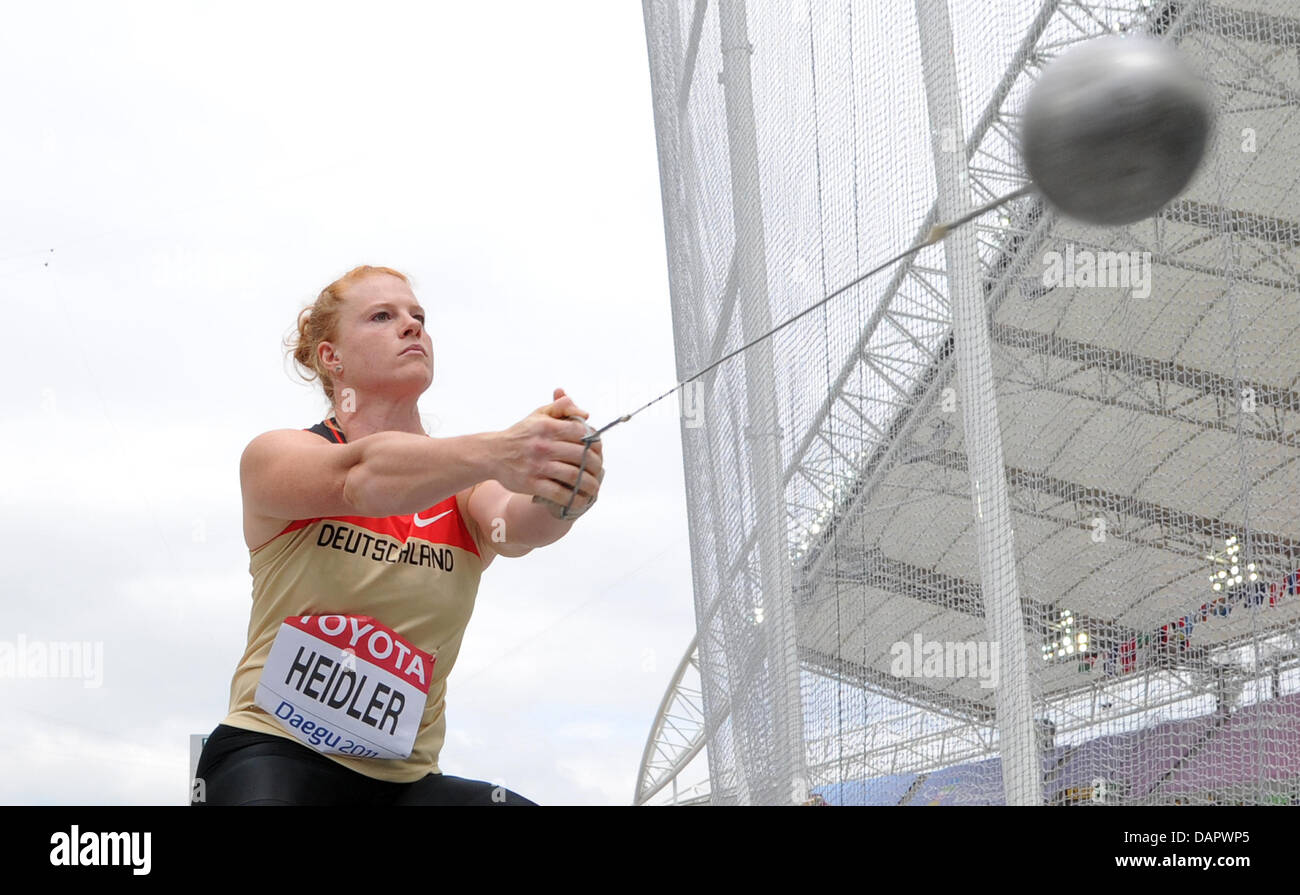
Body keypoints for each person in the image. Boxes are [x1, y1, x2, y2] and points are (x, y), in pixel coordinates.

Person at [192, 264, 604, 805]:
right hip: (274, 750)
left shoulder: (467, 485)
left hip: (403, 783)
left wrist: (564, 488)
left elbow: (518, 527)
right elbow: (361, 479)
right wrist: (502, 449)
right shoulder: (278, 455)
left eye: (419, 316)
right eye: (382, 316)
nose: (412, 326)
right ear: (331, 358)